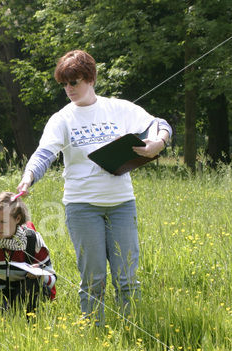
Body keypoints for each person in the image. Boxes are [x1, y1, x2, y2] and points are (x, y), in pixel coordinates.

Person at [17, 50, 172, 327]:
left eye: (74, 82)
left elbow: (159, 124)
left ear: (90, 78)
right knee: (93, 278)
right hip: (82, 206)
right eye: (64, 84)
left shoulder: (119, 109)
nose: (69, 89)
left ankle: (131, 329)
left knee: (127, 277)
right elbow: (44, 154)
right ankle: (94, 331)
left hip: (122, 204)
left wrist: (157, 143)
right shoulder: (62, 119)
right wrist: (28, 177)